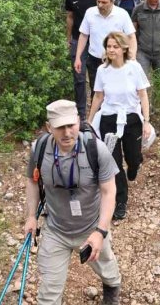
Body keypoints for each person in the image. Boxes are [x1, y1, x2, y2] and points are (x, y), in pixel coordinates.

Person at [24, 100, 121, 305]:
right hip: (55, 230)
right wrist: (31, 216)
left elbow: (109, 191)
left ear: (78, 121)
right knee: (48, 293)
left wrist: (101, 231)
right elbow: (32, 182)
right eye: (60, 127)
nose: (67, 132)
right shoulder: (39, 149)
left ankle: (112, 289)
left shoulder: (95, 149)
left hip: (91, 227)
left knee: (108, 270)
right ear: (49, 127)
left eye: (71, 125)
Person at [87, 32, 152, 221]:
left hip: (131, 118)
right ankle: (120, 201)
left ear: (124, 48)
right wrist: (90, 122)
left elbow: (143, 95)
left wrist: (146, 121)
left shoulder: (134, 67)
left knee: (133, 157)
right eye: (109, 46)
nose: (111, 50)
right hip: (109, 119)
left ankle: (134, 167)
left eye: (115, 46)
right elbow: (98, 96)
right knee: (113, 163)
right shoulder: (102, 71)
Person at [75, 0, 137, 95]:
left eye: (104, 2)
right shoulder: (90, 13)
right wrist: (78, 57)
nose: (100, 5)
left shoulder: (122, 14)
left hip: (116, 60)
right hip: (95, 59)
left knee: (116, 91)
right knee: (97, 92)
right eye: (98, 1)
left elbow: (131, 37)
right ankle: (97, 112)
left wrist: (132, 57)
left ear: (112, 1)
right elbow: (83, 35)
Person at [65, 0, 98, 119]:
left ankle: (96, 113)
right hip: (78, 39)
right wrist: (69, 38)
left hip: (95, 39)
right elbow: (70, 17)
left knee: (96, 77)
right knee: (79, 78)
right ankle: (82, 114)